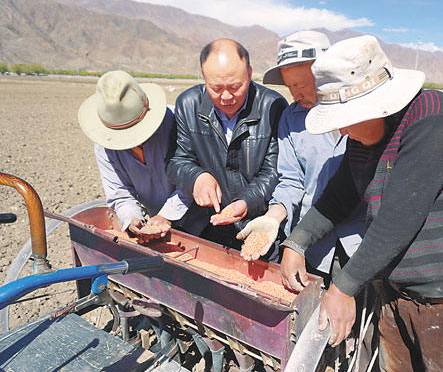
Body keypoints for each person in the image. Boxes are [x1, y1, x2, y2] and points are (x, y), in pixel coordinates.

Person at [280, 35, 443, 372]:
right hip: (397, 294)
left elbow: (397, 221)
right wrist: (297, 242)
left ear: (377, 105)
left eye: (346, 120)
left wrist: (342, 288)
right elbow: (338, 197)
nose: (342, 131)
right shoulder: (362, 137)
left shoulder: (434, 123)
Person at [236, 31, 364, 279]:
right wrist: (272, 217)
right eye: (290, 87)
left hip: (360, 243)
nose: (295, 95)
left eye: (301, 85)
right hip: (312, 247)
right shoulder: (291, 119)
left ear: (325, 75)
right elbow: (292, 180)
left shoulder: (363, 111)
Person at [167, 39, 287, 250]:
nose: (226, 97)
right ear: (203, 77)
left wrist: (246, 202)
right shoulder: (188, 104)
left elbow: (274, 170)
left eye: (235, 87)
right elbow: (177, 160)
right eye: (215, 88)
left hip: (259, 223)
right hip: (209, 225)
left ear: (249, 74)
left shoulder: (272, 106)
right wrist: (196, 177)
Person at [78, 70, 189, 243]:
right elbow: (120, 192)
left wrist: (167, 214)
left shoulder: (178, 122)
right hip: (158, 227)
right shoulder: (105, 147)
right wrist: (132, 219)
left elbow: (193, 175)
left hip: (204, 220)